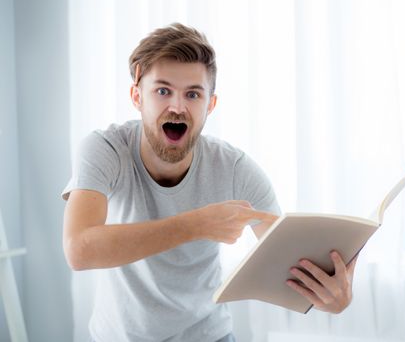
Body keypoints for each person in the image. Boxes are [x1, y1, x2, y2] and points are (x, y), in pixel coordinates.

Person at [62, 22, 358, 342]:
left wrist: (333, 298)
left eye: (193, 94)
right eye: (162, 91)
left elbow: (288, 262)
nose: (177, 107)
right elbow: (79, 250)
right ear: (137, 96)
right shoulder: (105, 149)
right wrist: (198, 224)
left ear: (210, 105)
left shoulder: (235, 168)